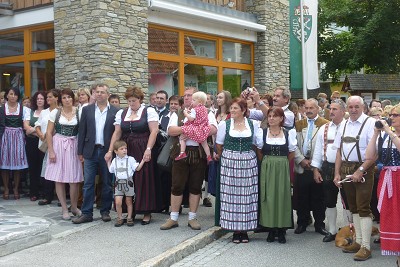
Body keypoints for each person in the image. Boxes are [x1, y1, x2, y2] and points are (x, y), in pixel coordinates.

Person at [160, 87, 217, 231]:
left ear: (198, 99)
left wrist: (189, 130)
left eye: (190, 96)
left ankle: (192, 218)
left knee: (195, 186)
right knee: (177, 185)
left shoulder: (207, 112)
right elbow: (171, 130)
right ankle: (173, 218)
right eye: (185, 96)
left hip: (198, 153)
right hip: (180, 152)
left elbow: (213, 129)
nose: (186, 98)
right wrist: (188, 130)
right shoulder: (178, 112)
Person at [106, 86, 159, 225]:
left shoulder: (149, 111)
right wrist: (110, 151)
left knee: (143, 177)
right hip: (126, 148)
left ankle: (146, 211)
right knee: (126, 178)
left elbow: (154, 131)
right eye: (129, 101)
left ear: (140, 99)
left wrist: (148, 149)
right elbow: (117, 133)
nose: (131, 104)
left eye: (134, 101)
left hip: (143, 146)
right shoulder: (122, 113)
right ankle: (130, 211)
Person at [333, 96, 376, 261]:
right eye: (350, 106)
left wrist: (361, 170)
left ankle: (366, 246)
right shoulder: (343, 124)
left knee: (363, 207)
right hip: (345, 167)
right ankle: (358, 242)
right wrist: (337, 173)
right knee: (353, 207)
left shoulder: (370, 123)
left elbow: (374, 153)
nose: (353, 110)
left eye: (356, 106)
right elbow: (338, 151)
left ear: (363, 107)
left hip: (364, 167)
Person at [215, 98, 260, 243]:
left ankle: (245, 230)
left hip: (248, 161)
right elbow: (219, 145)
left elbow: (256, 144)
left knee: (247, 195)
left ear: (243, 110)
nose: (232, 111)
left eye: (235, 108)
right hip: (230, 161)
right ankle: (235, 230)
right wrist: (229, 157)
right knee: (231, 195)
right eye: (231, 108)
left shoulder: (253, 124)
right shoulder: (224, 124)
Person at [73, 84, 119, 224]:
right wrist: (80, 151)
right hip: (90, 151)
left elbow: (117, 133)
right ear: (94, 94)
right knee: (88, 183)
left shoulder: (116, 111)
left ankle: (105, 211)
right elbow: (82, 131)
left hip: (107, 152)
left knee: (106, 182)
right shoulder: (87, 110)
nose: (99, 94)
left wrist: (113, 151)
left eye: (102, 92)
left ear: (108, 94)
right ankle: (87, 213)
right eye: (97, 92)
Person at [311, 99, 351, 242]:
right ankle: (332, 230)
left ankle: (349, 229)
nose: (331, 112)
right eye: (330, 109)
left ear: (342, 111)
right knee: (329, 199)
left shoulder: (349, 126)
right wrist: (316, 169)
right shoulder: (324, 128)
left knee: (348, 199)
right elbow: (317, 151)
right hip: (328, 166)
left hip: (347, 167)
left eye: (335, 109)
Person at [257, 106, 297, 243]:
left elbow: (292, 152)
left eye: (275, 116)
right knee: (268, 195)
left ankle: (281, 229)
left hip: (282, 166)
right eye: (269, 116)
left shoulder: (288, 133)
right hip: (267, 165)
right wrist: (269, 162)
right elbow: (259, 151)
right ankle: (270, 228)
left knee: (282, 195)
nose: (271, 118)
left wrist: (282, 162)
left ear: (281, 118)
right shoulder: (262, 133)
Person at [365, 105, 400, 265]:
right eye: (390, 115)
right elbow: (369, 155)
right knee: (389, 211)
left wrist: (389, 131)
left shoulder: (391, 135)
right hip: (387, 177)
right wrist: (375, 133)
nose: (391, 118)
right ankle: (393, 244)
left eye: (395, 115)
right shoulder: (385, 136)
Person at [45, 88, 83, 220]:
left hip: (73, 145)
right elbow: (49, 132)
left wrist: (81, 150)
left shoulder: (79, 112)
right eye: (64, 98)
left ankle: (73, 206)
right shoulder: (55, 113)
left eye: (69, 97)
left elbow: (83, 132)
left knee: (74, 179)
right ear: (61, 100)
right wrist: (51, 151)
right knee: (59, 178)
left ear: (73, 98)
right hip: (58, 145)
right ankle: (64, 208)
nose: (67, 100)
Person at [293, 98, 329, 236]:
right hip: (302, 165)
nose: (308, 110)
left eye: (311, 108)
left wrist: (315, 163)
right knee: (301, 196)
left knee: (318, 197)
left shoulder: (325, 124)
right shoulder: (298, 124)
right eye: (306, 108)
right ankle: (302, 222)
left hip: (317, 167)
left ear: (318, 109)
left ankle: (319, 224)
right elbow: (293, 144)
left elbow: (325, 146)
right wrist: (301, 159)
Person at [0, 88, 30, 200]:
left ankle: (16, 188)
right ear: (7, 95)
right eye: (11, 94)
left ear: (18, 96)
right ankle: (7, 188)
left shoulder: (24, 109)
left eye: (15, 94)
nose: (13, 96)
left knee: (17, 164)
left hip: (18, 136)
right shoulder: (2, 109)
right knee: (5, 163)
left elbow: (26, 124)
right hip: (5, 136)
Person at [108, 140, 145, 227]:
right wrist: (108, 161)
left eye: (125, 148)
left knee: (129, 201)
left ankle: (129, 217)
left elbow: (137, 168)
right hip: (118, 183)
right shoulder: (114, 161)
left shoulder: (130, 159)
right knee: (118, 202)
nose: (124, 150)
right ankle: (120, 218)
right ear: (116, 151)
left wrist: (143, 160)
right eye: (121, 149)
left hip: (128, 182)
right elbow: (111, 170)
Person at [35, 89, 60, 205]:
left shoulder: (60, 111)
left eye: (50, 97)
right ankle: (47, 196)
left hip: (57, 143)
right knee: (46, 169)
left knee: (59, 169)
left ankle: (61, 196)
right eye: (47, 97)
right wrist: (40, 134)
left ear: (56, 98)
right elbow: (37, 125)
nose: (48, 99)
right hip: (45, 144)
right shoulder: (44, 112)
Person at [23, 91, 48, 201]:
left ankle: (43, 191)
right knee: (33, 168)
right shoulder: (30, 111)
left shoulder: (48, 112)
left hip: (43, 143)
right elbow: (26, 129)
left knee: (43, 167)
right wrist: (38, 130)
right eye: (38, 99)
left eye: (42, 98)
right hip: (32, 142)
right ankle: (34, 192)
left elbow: (47, 129)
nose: (39, 100)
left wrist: (33, 129)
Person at [174, 91, 212, 164]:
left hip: (195, 127)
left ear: (199, 101)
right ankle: (208, 156)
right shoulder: (205, 109)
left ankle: (182, 152)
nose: (192, 101)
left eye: (194, 100)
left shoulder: (195, 109)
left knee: (182, 137)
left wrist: (186, 114)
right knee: (205, 143)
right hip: (203, 128)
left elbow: (191, 119)